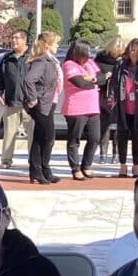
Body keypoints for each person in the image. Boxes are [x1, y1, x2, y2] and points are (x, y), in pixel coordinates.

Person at [108, 39, 138, 178]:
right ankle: (123, 166)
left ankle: (135, 165)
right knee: (121, 136)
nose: (134, 53)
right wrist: (112, 99)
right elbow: (114, 84)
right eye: (132, 50)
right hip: (123, 106)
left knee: (137, 137)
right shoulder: (121, 65)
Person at [23, 32, 63, 185]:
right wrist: (33, 98)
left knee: (41, 137)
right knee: (48, 137)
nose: (57, 46)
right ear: (47, 45)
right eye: (55, 43)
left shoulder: (51, 60)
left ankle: (40, 171)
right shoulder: (42, 61)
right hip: (41, 103)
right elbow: (29, 80)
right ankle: (39, 170)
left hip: (49, 102)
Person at [62, 40, 103, 181]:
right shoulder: (69, 65)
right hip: (76, 108)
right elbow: (79, 83)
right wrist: (93, 80)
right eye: (87, 51)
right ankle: (75, 168)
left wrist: (91, 79)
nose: (89, 54)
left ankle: (87, 165)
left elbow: (102, 79)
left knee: (95, 138)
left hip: (93, 107)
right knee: (74, 139)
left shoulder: (90, 63)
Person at [0, 30, 33, 169]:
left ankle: (33, 161)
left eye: (17, 38)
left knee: (33, 134)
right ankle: (6, 160)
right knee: (9, 133)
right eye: (12, 38)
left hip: (30, 103)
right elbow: (0, 77)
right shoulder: (7, 59)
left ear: (25, 40)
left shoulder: (32, 57)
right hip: (11, 102)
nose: (14, 41)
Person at [94, 37, 123, 163]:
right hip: (103, 94)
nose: (116, 54)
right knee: (104, 125)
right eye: (114, 51)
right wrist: (104, 77)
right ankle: (103, 153)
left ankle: (116, 153)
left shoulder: (123, 60)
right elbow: (95, 74)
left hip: (118, 96)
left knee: (117, 126)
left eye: (119, 51)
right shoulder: (100, 59)